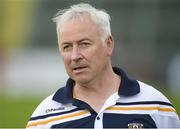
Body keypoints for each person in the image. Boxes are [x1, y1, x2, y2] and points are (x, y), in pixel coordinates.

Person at [26, 3, 180, 128]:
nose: (74, 56)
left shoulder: (156, 106)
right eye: (66, 47)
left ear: (108, 44)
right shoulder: (44, 117)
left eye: (84, 44)